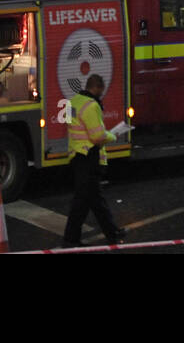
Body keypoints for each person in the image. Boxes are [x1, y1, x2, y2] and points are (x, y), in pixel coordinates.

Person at [63, 74, 126, 247]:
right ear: (97, 88)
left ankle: (111, 232)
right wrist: (114, 135)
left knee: (91, 199)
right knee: (85, 201)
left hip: (77, 155)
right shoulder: (91, 106)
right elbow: (98, 136)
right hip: (88, 157)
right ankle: (70, 240)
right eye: (101, 91)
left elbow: (69, 124)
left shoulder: (73, 101)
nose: (101, 95)